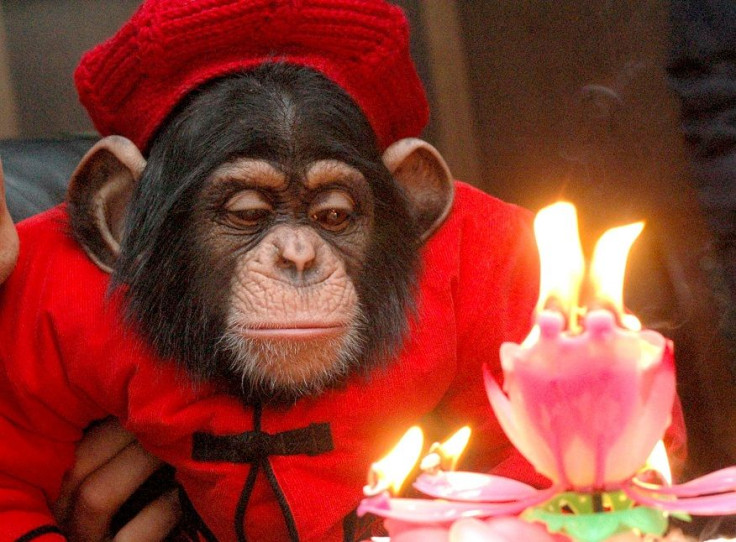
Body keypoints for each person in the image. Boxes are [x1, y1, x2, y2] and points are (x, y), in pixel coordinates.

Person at [0, 1, 686, 540]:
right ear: (123, 222)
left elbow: (609, 440)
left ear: (411, 205)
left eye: (331, 215)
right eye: (244, 212)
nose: (296, 256)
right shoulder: (70, 283)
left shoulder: (474, 254)